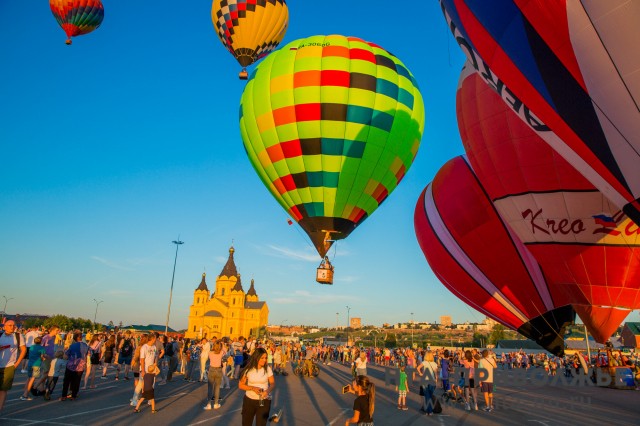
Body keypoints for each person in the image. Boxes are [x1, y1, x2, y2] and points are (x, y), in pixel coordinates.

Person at [238, 347, 275, 426]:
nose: (264, 360)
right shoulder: (248, 369)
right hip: (249, 401)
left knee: (261, 424)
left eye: (265, 358)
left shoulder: (267, 369)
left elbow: (272, 383)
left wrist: (266, 392)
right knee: (246, 423)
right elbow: (241, 385)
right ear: (256, 357)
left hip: (264, 401)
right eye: (262, 358)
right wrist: (252, 388)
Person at [0, 320, 27, 413]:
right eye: (9, 325)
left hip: (9, 366)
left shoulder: (18, 336)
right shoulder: (0, 335)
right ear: (4, 326)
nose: (12, 327)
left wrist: (17, 363)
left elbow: (23, 350)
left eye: (13, 325)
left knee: (3, 389)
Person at [61, 331, 88, 401]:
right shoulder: (86, 346)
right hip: (81, 366)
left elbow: (66, 356)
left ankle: (64, 395)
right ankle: (74, 395)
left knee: (67, 381)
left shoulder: (72, 346)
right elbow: (89, 355)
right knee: (77, 381)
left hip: (71, 365)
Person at [21, 336, 45, 400]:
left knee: (29, 378)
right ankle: (25, 395)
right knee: (33, 379)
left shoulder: (31, 347)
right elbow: (42, 357)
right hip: (36, 364)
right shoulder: (42, 348)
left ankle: (25, 391)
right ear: (41, 342)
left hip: (30, 363)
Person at [204, 341, 225, 410]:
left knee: (210, 388)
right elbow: (225, 352)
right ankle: (216, 403)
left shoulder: (210, 352)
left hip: (212, 369)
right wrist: (222, 345)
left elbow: (209, 358)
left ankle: (209, 404)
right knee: (217, 387)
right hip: (218, 370)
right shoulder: (221, 352)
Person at [416, 350, 438, 415]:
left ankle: (428, 411)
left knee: (426, 396)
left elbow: (418, 368)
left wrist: (420, 373)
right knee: (430, 396)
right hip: (432, 381)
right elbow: (436, 374)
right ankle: (430, 411)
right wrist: (436, 380)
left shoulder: (424, 362)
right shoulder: (435, 364)